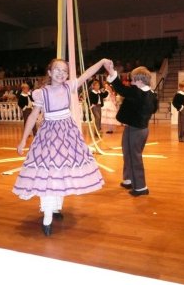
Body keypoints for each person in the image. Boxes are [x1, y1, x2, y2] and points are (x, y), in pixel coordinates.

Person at [13, 58, 107, 236]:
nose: (61, 73)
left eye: (65, 71)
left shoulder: (68, 86)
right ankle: (47, 215)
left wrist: (101, 62)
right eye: (57, 69)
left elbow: (87, 74)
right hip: (49, 136)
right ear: (49, 72)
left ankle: (55, 208)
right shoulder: (42, 93)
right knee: (48, 172)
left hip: (68, 134)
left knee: (62, 171)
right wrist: (23, 139)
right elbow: (33, 116)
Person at [104, 61, 158, 197]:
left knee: (135, 157)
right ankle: (128, 179)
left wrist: (112, 72)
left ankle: (140, 187)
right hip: (136, 128)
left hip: (137, 129)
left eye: (133, 79)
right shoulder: (151, 94)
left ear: (139, 80)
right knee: (127, 153)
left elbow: (121, 89)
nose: (131, 81)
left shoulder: (137, 92)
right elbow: (155, 109)